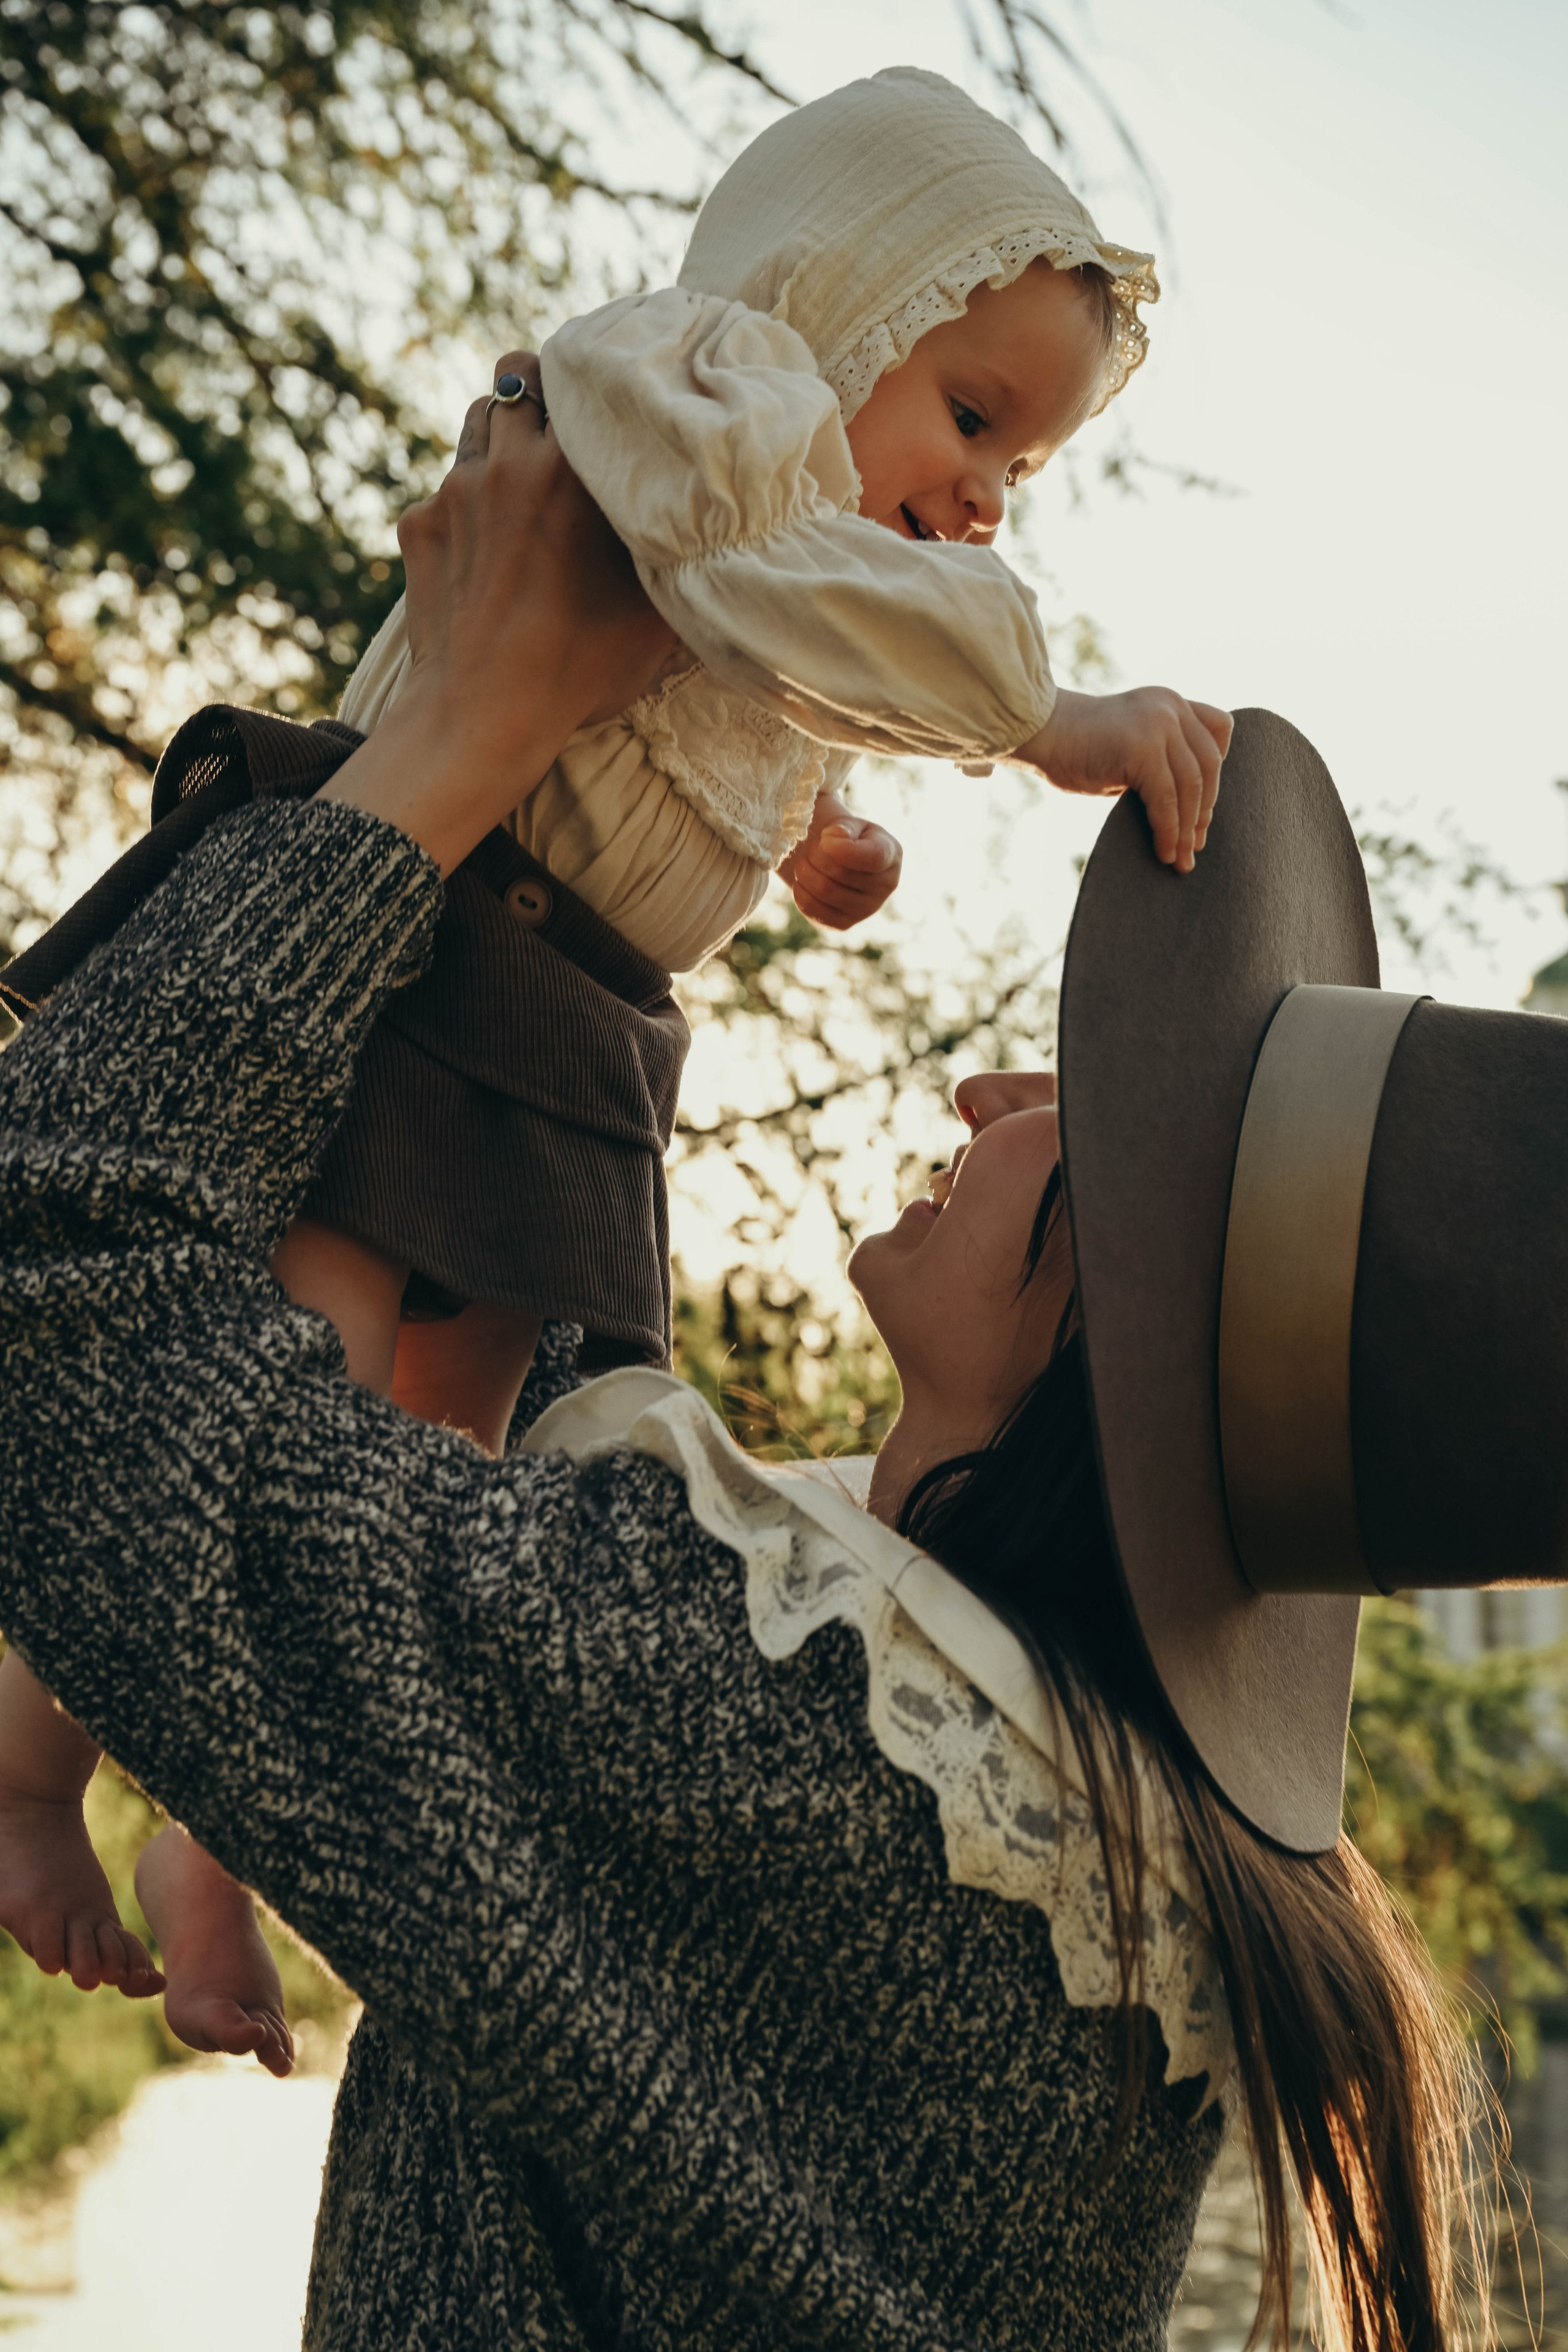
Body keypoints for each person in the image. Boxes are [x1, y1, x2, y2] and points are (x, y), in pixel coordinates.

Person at [0, 359, 1490, 2352]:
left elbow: (74, 1319)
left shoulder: (776, 1758)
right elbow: (545, 1386)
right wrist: (597, 840)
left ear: (1125, 1326)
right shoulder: (1040, 1855)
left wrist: (451, 735)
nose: (992, 1090)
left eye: (1101, 1114)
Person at [0, 65, 1231, 2073]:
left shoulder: (795, 535)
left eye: (1028, 459)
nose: (989, 489)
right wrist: (1041, 714)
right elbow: (752, 587)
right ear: (830, 296)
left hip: (573, 1022)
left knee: (435, 1469)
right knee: (270, 1381)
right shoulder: (701, 383)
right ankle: (63, 1785)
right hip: (406, 945)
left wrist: (811, 835)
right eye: (974, 412)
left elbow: (774, 680)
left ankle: (246, 1815)